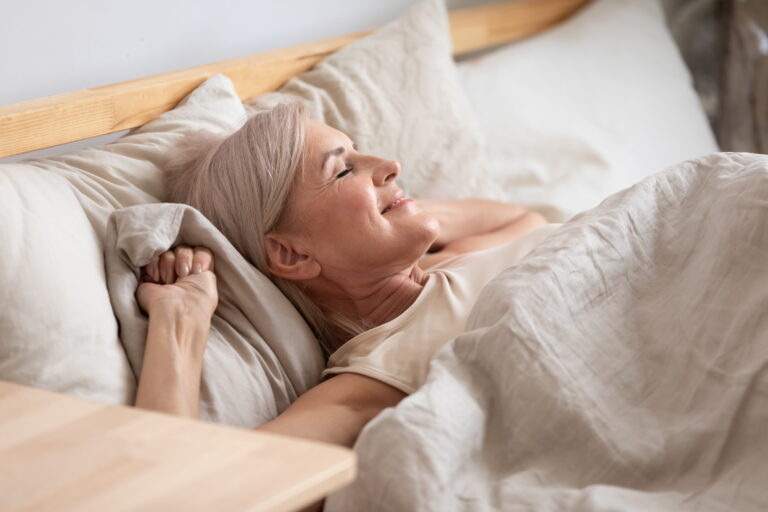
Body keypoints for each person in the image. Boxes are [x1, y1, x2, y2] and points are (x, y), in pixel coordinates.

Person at [134, 102, 558, 448]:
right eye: (342, 170)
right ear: (292, 254)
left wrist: (406, 211)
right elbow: (180, 492)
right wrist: (180, 322)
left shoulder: (451, 264)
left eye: (357, 152)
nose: (390, 164)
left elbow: (525, 217)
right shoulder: (374, 380)